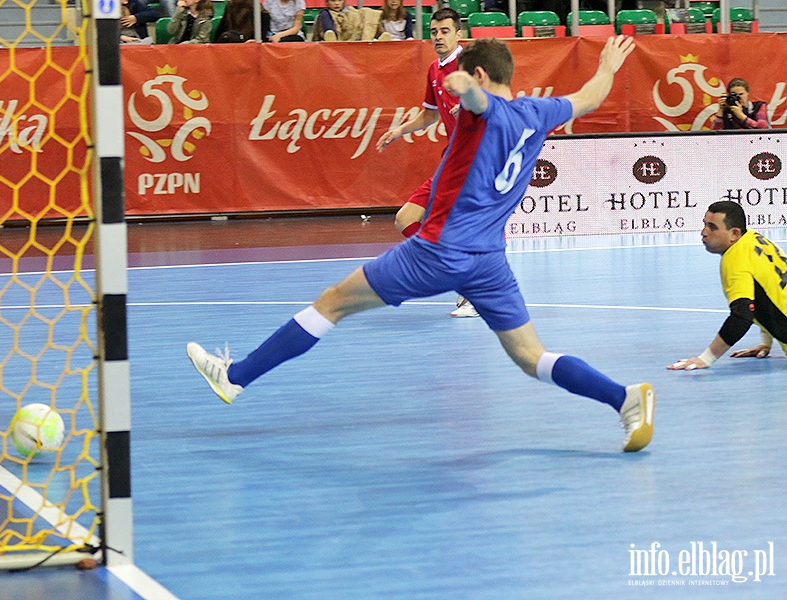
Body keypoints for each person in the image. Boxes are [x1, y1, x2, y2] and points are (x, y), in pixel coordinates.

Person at [187, 35, 656, 453]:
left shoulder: (481, 111)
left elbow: (478, 101)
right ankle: (624, 398)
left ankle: (234, 378)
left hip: (438, 250)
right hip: (489, 261)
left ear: (477, 73)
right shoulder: (540, 111)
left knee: (331, 304)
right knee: (531, 357)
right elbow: (590, 97)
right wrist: (607, 68)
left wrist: (461, 88)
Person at [375, 9, 477, 317]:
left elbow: (497, 102)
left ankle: (474, 290)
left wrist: (472, 103)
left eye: (445, 31)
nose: (438, 36)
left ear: (459, 34)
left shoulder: (471, 66)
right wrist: (399, 130)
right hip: (450, 161)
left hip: (475, 162)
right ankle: (456, 275)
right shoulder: (434, 69)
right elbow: (430, 114)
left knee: (460, 229)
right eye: (434, 31)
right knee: (405, 219)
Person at [667, 201, 787, 371]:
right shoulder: (755, 239)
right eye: (704, 224)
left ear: (734, 233)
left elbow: (741, 316)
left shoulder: (734, 259)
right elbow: (768, 289)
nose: (704, 232)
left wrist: (705, 359)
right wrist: (766, 343)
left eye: (712, 227)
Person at [312, 0, 386, 42]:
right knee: (326, 16)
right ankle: (331, 38)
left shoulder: (350, 10)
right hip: (335, 39)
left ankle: (378, 38)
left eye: (339, 0)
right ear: (327, 3)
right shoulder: (325, 13)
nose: (337, 3)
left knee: (367, 12)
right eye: (333, 0)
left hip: (352, 38)